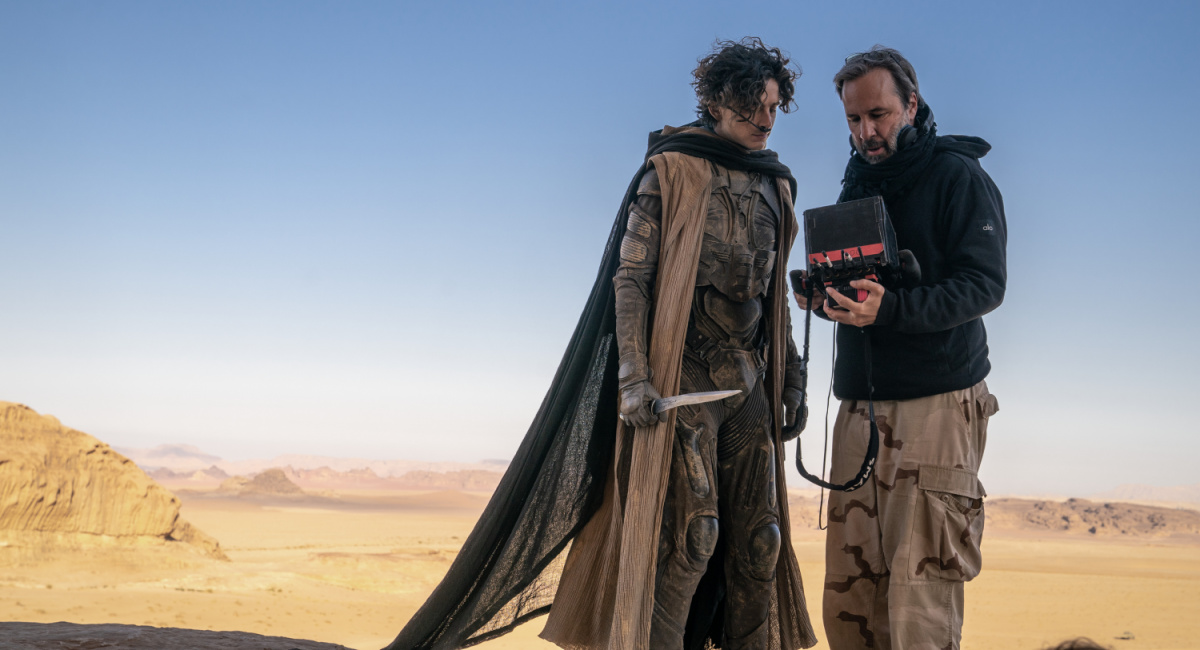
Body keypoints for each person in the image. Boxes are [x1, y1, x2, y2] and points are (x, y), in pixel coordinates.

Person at [388, 38, 815, 650]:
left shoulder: (778, 186)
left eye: (775, 107)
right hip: (684, 378)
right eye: (755, 107)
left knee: (760, 544)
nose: (767, 120)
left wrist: (793, 377)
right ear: (718, 102)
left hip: (748, 378)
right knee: (691, 540)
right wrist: (635, 378)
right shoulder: (672, 171)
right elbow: (633, 280)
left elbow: (773, 299)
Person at [793, 46, 1006, 650]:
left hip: (936, 409)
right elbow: (867, 276)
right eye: (854, 121)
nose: (867, 132)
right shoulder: (856, 180)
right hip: (859, 411)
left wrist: (892, 310)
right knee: (851, 604)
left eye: (879, 115)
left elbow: (985, 284)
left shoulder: (957, 175)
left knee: (921, 609)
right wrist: (824, 295)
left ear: (911, 103)